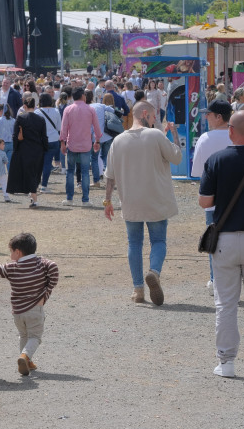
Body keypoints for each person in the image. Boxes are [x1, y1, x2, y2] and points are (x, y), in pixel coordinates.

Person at [198, 110, 244, 379]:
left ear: (231, 131)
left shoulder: (216, 160)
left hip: (224, 238)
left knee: (225, 303)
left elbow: (205, 202)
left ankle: (226, 362)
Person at [103, 101, 182, 305]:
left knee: (134, 243)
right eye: (154, 116)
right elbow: (176, 157)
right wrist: (173, 134)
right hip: (156, 198)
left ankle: (138, 289)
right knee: (159, 241)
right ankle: (154, 272)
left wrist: (108, 201)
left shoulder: (118, 140)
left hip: (130, 200)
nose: (155, 120)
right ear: (145, 114)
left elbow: (109, 176)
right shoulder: (155, 135)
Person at [0, 232, 58, 376]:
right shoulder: (41, 264)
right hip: (35, 309)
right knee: (35, 337)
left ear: (18, 252)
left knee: (23, 335)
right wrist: (46, 293)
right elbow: (54, 268)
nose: (10, 255)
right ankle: (25, 356)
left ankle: (27, 361)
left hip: (18, 312)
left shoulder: (11, 268)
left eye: (11, 251)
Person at [191, 101, 234, 296]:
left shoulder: (205, 139)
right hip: (240, 200)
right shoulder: (241, 136)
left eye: (209, 114)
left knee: (214, 242)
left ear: (218, 117)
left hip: (212, 201)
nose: (206, 117)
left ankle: (215, 280)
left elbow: (198, 173)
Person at [60, 87, 101, 207]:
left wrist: (62, 143)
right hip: (86, 145)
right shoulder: (90, 109)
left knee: (70, 171)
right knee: (85, 172)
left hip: (71, 144)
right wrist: (97, 141)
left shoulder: (68, 109)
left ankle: (69, 198)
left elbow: (63, 129)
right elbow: (97, 128)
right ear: (83, 96)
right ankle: (85, 200)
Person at [8, 95, 47, 208]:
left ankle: (34, 198)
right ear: (35, 106)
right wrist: (45, 148)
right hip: (38, 149)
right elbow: (44, 136)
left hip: (24, 149)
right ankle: (33, 195)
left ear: (24, 106)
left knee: (27, 173)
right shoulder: (41, 119)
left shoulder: (20, 118)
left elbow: (15, 135)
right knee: (35, 173)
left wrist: (16, 148)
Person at [35, 93, 61, 193]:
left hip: (40, 140)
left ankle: (36, 184)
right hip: (53, 139)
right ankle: (44, 185)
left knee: (39, 163)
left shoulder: (37, 112)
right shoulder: (56, 111)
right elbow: (59, 127)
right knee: (47, 163)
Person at [0, 104, 15, 173]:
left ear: (1, 111)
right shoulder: (13, 120)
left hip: (0, 144)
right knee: (9, 163)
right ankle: (10, 179)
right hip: (11, 143)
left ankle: (0, 180)